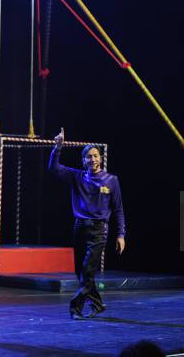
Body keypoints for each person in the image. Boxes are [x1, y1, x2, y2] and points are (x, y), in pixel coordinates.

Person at [49, 127, 126, 319]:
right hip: (79, 227)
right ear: (83, 160)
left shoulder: (111, 180)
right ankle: (97, 304)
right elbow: (54, 168)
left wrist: (121, 234)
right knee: (80, 272)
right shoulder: (77, 176)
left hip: (99, 230)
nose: (92, 159)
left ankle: (75, 308)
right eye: (88, 157)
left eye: (95, 156)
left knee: (87, 271)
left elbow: (118, 209)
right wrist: (57, 147)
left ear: (100, 158)